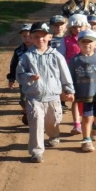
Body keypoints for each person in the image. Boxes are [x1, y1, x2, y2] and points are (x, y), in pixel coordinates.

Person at [16, 22, 75, 163]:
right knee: (36, 122)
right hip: (34, 96)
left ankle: (53, 135)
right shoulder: (26, 57)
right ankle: (37, 152)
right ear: (31, 37)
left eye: (43, 36)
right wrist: (29, 77)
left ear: (49, 37)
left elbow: (65, 74)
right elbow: (20, 74)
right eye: (36, 36)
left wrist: (69, 90)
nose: (40, 39)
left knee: (53, 121)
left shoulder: (56, 56)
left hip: (53, 97)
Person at [58, 14, 89, 134]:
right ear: (70, 28)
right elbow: (60, 56)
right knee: (75, 99)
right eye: (74, 27)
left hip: (88, 73)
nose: (78, 29)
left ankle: (88, 121)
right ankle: (77, 124)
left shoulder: (89, 39)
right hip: (71, 73)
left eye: (80, 26)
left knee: (87, 99)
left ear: (85, 26)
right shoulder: (65, 40)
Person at [7, 23, 32, 125]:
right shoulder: (18, 51)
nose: (27, 39)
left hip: (38, 79)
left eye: (29, 36)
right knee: (23, 98)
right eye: (24, 36)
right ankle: (26, 111)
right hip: (24, 79)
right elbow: (13, 66)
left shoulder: (40, 49)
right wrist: (11, 79)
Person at [48, 14, 69, 112]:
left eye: (61, 24)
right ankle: (57, 102)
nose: (59, 27)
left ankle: (63, 102)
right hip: (52, 64)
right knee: (55, 83)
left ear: (65, 26)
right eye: (56, 25)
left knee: (64, 83)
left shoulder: (68, 38)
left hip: (65, 64)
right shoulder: (49, 39)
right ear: (51, 27)